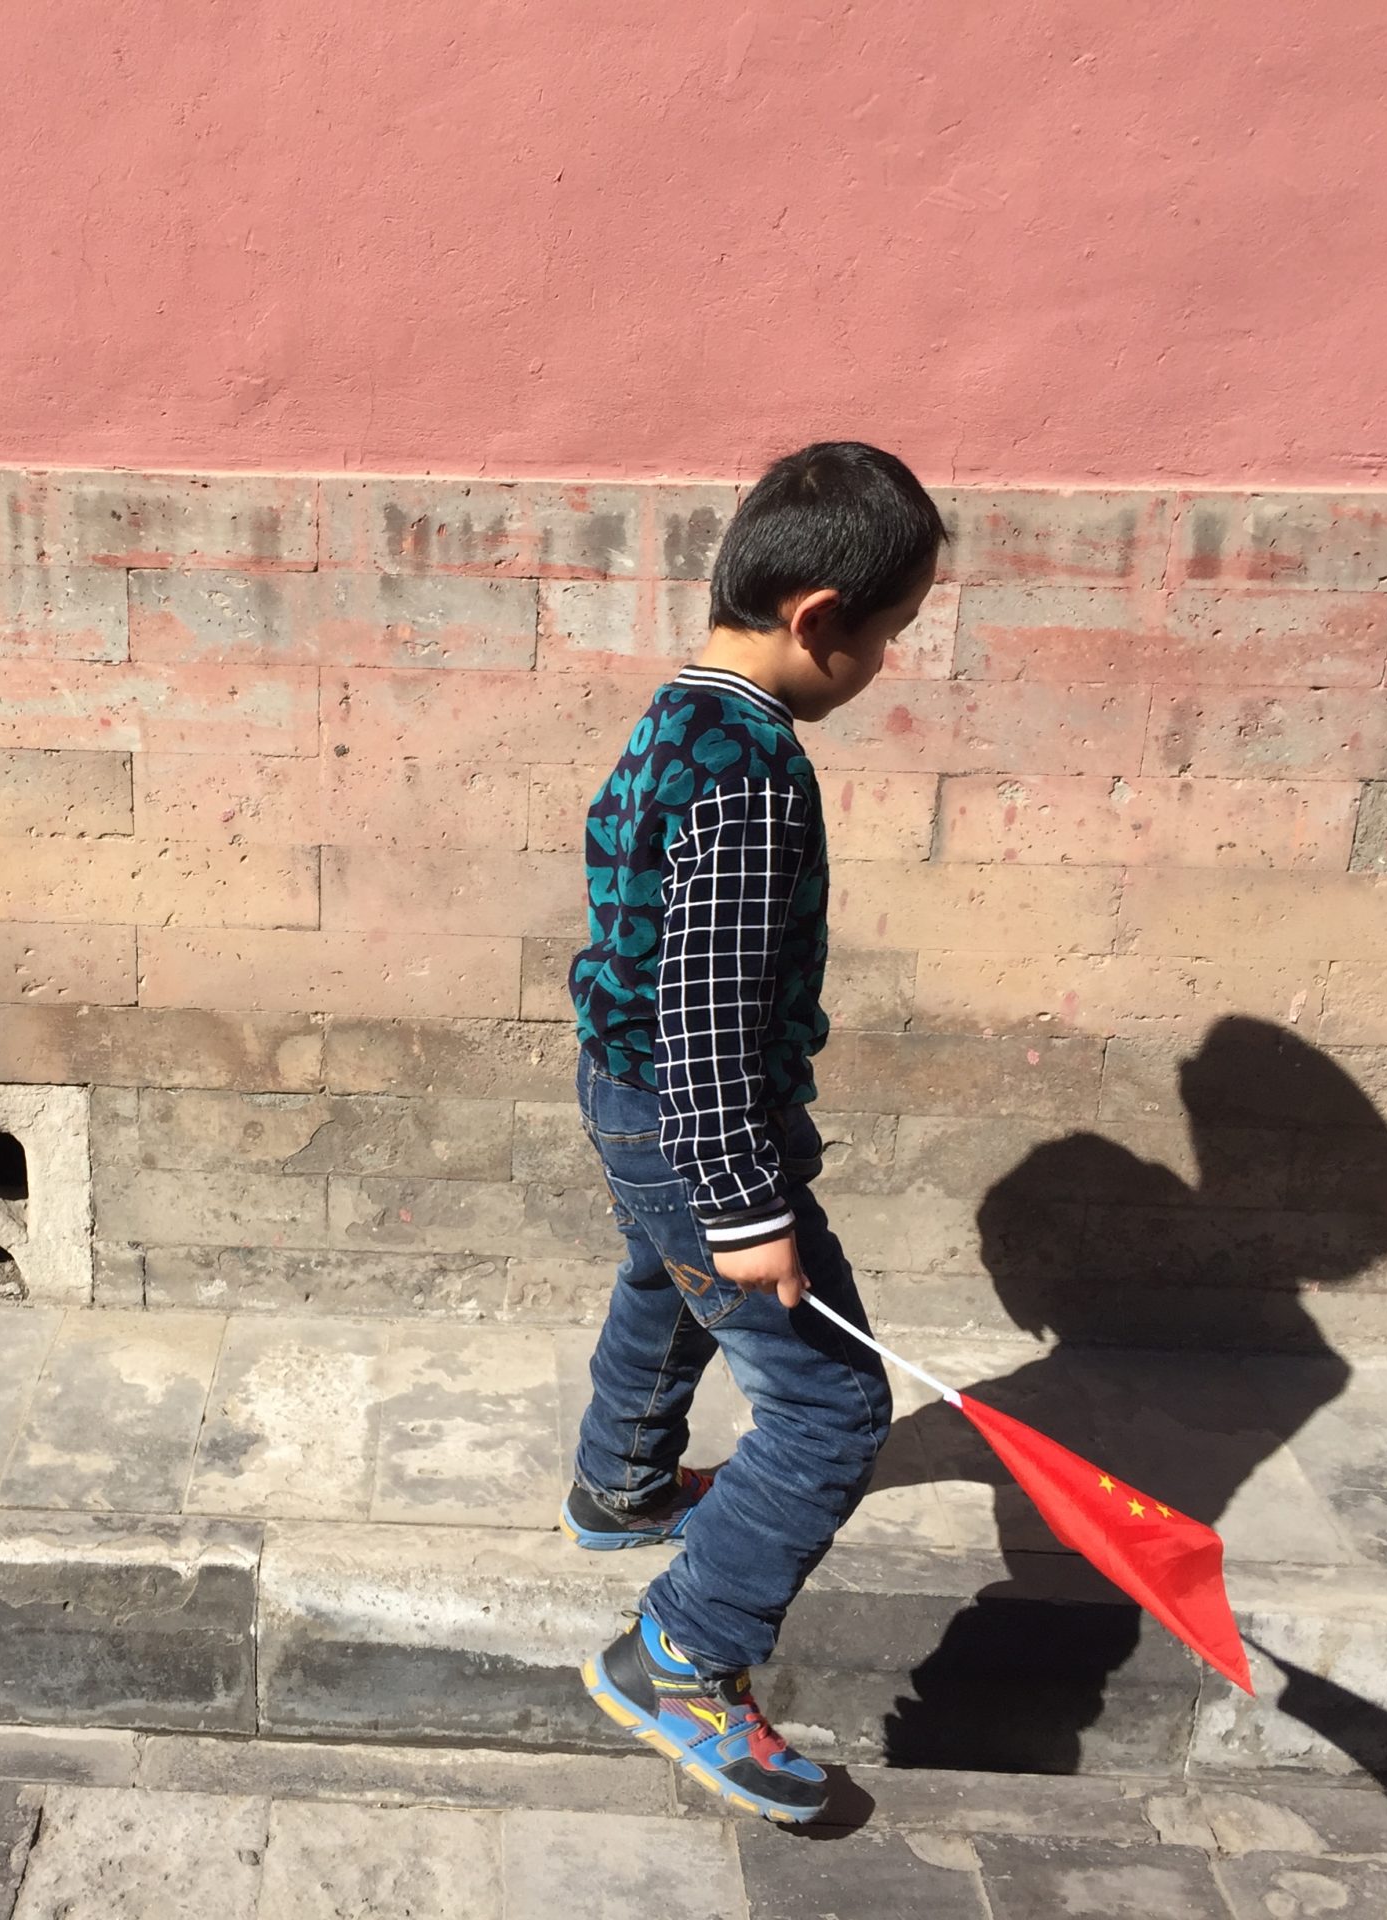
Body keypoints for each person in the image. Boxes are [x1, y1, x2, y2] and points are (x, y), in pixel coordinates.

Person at [560, 441, 944, 1825]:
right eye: (889, 636)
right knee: (834, 1411)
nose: (887, 664)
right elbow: (711, 1012)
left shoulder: (677, 715)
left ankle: (623, 1484)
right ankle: (683, 1657)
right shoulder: (750, 774)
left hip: (626, 1092)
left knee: (660, 1280)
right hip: (693, 1115)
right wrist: (748, 1203)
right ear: (819, 620)